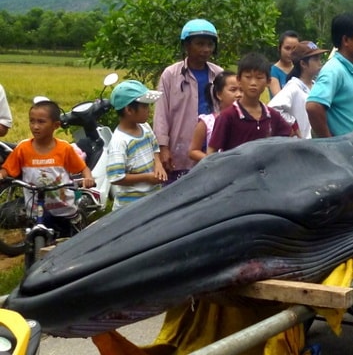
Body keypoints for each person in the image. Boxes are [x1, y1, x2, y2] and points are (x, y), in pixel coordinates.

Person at [0, 100, 95, 232]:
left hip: (64, 210)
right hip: (35, 211)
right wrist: (1, 175)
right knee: (33, 242)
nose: (35, 126)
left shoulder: (64, 149)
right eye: (32, 121)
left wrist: (88, 177)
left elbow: (83, 168)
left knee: (69, 240)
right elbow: (8, 169)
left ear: (56, 125)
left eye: (41, 122)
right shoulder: (23, 148)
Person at [153, 19, 223, 184]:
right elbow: (161, 114)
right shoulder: (170, 74)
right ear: (186, 46)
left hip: (213, 149)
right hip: (179, 151)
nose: (205, 50)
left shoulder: (218, 74)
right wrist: (163, 148)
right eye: (199, 44)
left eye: (209, 45)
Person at [207, 53, 292, 153]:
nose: (253, 83)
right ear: (239, 80)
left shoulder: (272, 115)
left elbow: (289, 136)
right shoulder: (227, 116)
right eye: (248, 77)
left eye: (259, 78)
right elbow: (211, 152)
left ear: (268, 82)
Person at [306, 12, 353, 138]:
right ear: (346, 40)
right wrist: (330, 144)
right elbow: (313, 106)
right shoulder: (334, 70)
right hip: (345, 153)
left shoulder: (350, 69)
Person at [107, 80, 167, 211]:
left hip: (151, 199)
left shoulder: (145, 127)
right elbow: (116, 177)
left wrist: (158, 164)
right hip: (130, 207)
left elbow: (154, 146)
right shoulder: (119, 142)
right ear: (129, 110)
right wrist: (147, 177)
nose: (149, 111)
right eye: (144, 107)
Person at [268, 41, 328, 139]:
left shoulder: (316, 85)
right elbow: (272, 108)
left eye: (319, 58)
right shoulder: (293, 87)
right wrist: (293, 123)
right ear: (303, 64)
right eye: (315, 59)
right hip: (301, 145)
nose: (319, 62)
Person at [188, 71, 242, 162]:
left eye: (242, 90)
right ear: (219, 94)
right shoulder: (208, 122)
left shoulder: (247, 119)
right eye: (233, 90)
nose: (239, 94)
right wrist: (214, 161)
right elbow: (193, 151)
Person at [269, 30, 300, 97]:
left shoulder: (300, 69)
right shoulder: (273, 71)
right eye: (287, 48)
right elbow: (278, 98)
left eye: (294, 48)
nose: (291, 52)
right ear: (279, 48)